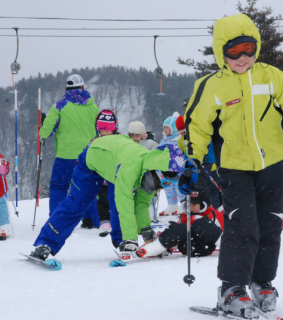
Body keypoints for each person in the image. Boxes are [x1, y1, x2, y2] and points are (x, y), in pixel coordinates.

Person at [179, 14, 283, 318]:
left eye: (248, 48)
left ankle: (263, 282)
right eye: (234, 51)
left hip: (272, 162)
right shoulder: (212, 86)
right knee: (241, 224)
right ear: (222, 52)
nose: (242, 58)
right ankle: (231, 289)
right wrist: (192, 160)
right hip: (233, 166)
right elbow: (197, 126)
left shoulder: (270, 76)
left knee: (270, 222)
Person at [28, 135, 184, 260]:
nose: (155, 186)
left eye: (161, 185)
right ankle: (45, 243)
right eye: (155, 182)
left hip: (114, 160)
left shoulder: (149, 172)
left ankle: (122, 240)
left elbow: (141, 204)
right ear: (153, 170)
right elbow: (125, 205)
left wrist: (147, 231)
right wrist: (131, 238)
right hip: (94, 156)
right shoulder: (132, 168)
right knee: (78, 204)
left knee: (118, 204)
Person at [39, 74, 99, 216]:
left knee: (59, 186)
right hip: (88, 155)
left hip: (66, 155)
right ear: (83, 87)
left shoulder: (59, 106)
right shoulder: (93, 107)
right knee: (88, 186)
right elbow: (99, 130)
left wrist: (42, 124)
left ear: (67, 88)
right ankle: (92, 219)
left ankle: (57, 217)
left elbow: (45, 133)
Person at [137, 183, 223, 259]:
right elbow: (177, 235)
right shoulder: (184, 216)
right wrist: (168, 243)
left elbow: (225, 232)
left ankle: (228, 248)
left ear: (203, 204)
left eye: (194, 204)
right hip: (186, 247)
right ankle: (150, 250)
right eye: (189, 204)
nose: (191, 207)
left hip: (205, 246)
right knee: (180, 228)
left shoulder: (214, 215)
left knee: (201, 224)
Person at [80, 109, 120, 233]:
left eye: (107, 130)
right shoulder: (95, 141)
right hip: (101, 178)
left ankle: (118, 222)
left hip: (116, 176)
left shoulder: (118, 140)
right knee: (102, 200)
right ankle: (105, 223)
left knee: (117, 200)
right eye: (102, 130)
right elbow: (86, 154)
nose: (104, 133)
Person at [176, 115, 222, 209]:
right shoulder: (181, 140)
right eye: (180, 132)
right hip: (193, 167)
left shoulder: (199, 135)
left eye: (184, 130)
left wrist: (205, 157)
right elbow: (181, 154)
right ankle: (199, 209)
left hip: (210, 167)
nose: (183, 133)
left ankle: (215, 209)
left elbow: (210, 149)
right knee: (197, 188)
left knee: (212, 189)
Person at [158, 112, 183, 216]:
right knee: (169, 187)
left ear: (173, 128)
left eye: (167, 127)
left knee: (179, 187)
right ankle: (172, 205)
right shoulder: (164, 141)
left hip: (178, 170)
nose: (165, 130)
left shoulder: (179, 139)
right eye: (164, 128)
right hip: (167, 169)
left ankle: (183, 205)